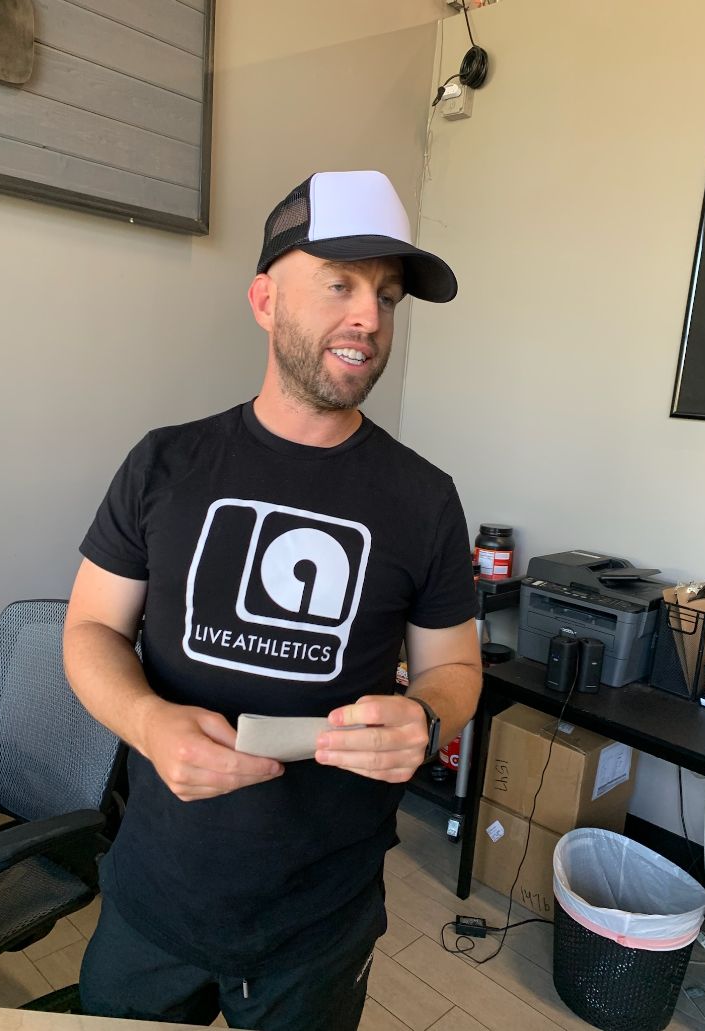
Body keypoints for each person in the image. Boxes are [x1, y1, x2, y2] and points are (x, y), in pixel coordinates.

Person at [64, 169, 482, 1030]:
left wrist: (427, 715)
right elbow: (90, 627)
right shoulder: (165, 464)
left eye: (386, 295)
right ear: (264, 299)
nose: (369, 317)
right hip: (155, 894)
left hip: (318, 920)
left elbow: (454, 667)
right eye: (339, 283)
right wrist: (148, 723)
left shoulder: (424, 498)